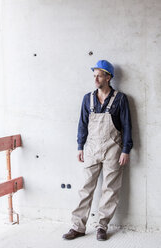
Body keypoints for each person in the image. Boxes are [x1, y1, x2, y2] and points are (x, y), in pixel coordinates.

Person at [62, 60, 133, 241]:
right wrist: (80, 146)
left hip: (113, 150)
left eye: (99, 75)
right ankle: (78, 226)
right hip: (92, 148)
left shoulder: (120, 99)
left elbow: (126, 126)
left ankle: (102, 226)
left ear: (108, 77)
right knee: (86, 188)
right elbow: (82, 124)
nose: (95, 79)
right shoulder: (88, 98)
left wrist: (126, 150)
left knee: (110, 189)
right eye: (94, 76)